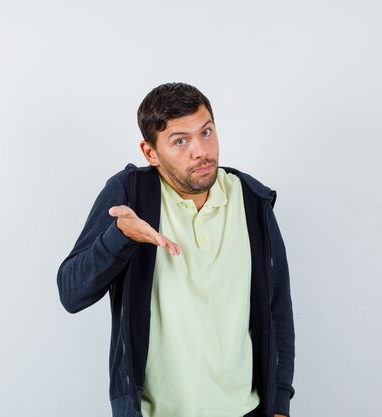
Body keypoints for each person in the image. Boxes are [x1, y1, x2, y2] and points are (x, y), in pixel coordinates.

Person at [57, 82, 295, 417]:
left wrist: (280, 404)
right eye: (180, 141)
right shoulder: (131, 195)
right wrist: (119, 237)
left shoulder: (252, 201)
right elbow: (71, 293)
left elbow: (277, 309)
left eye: (206, 132)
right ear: (150, 152)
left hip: (246, 410)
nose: (200, 150)